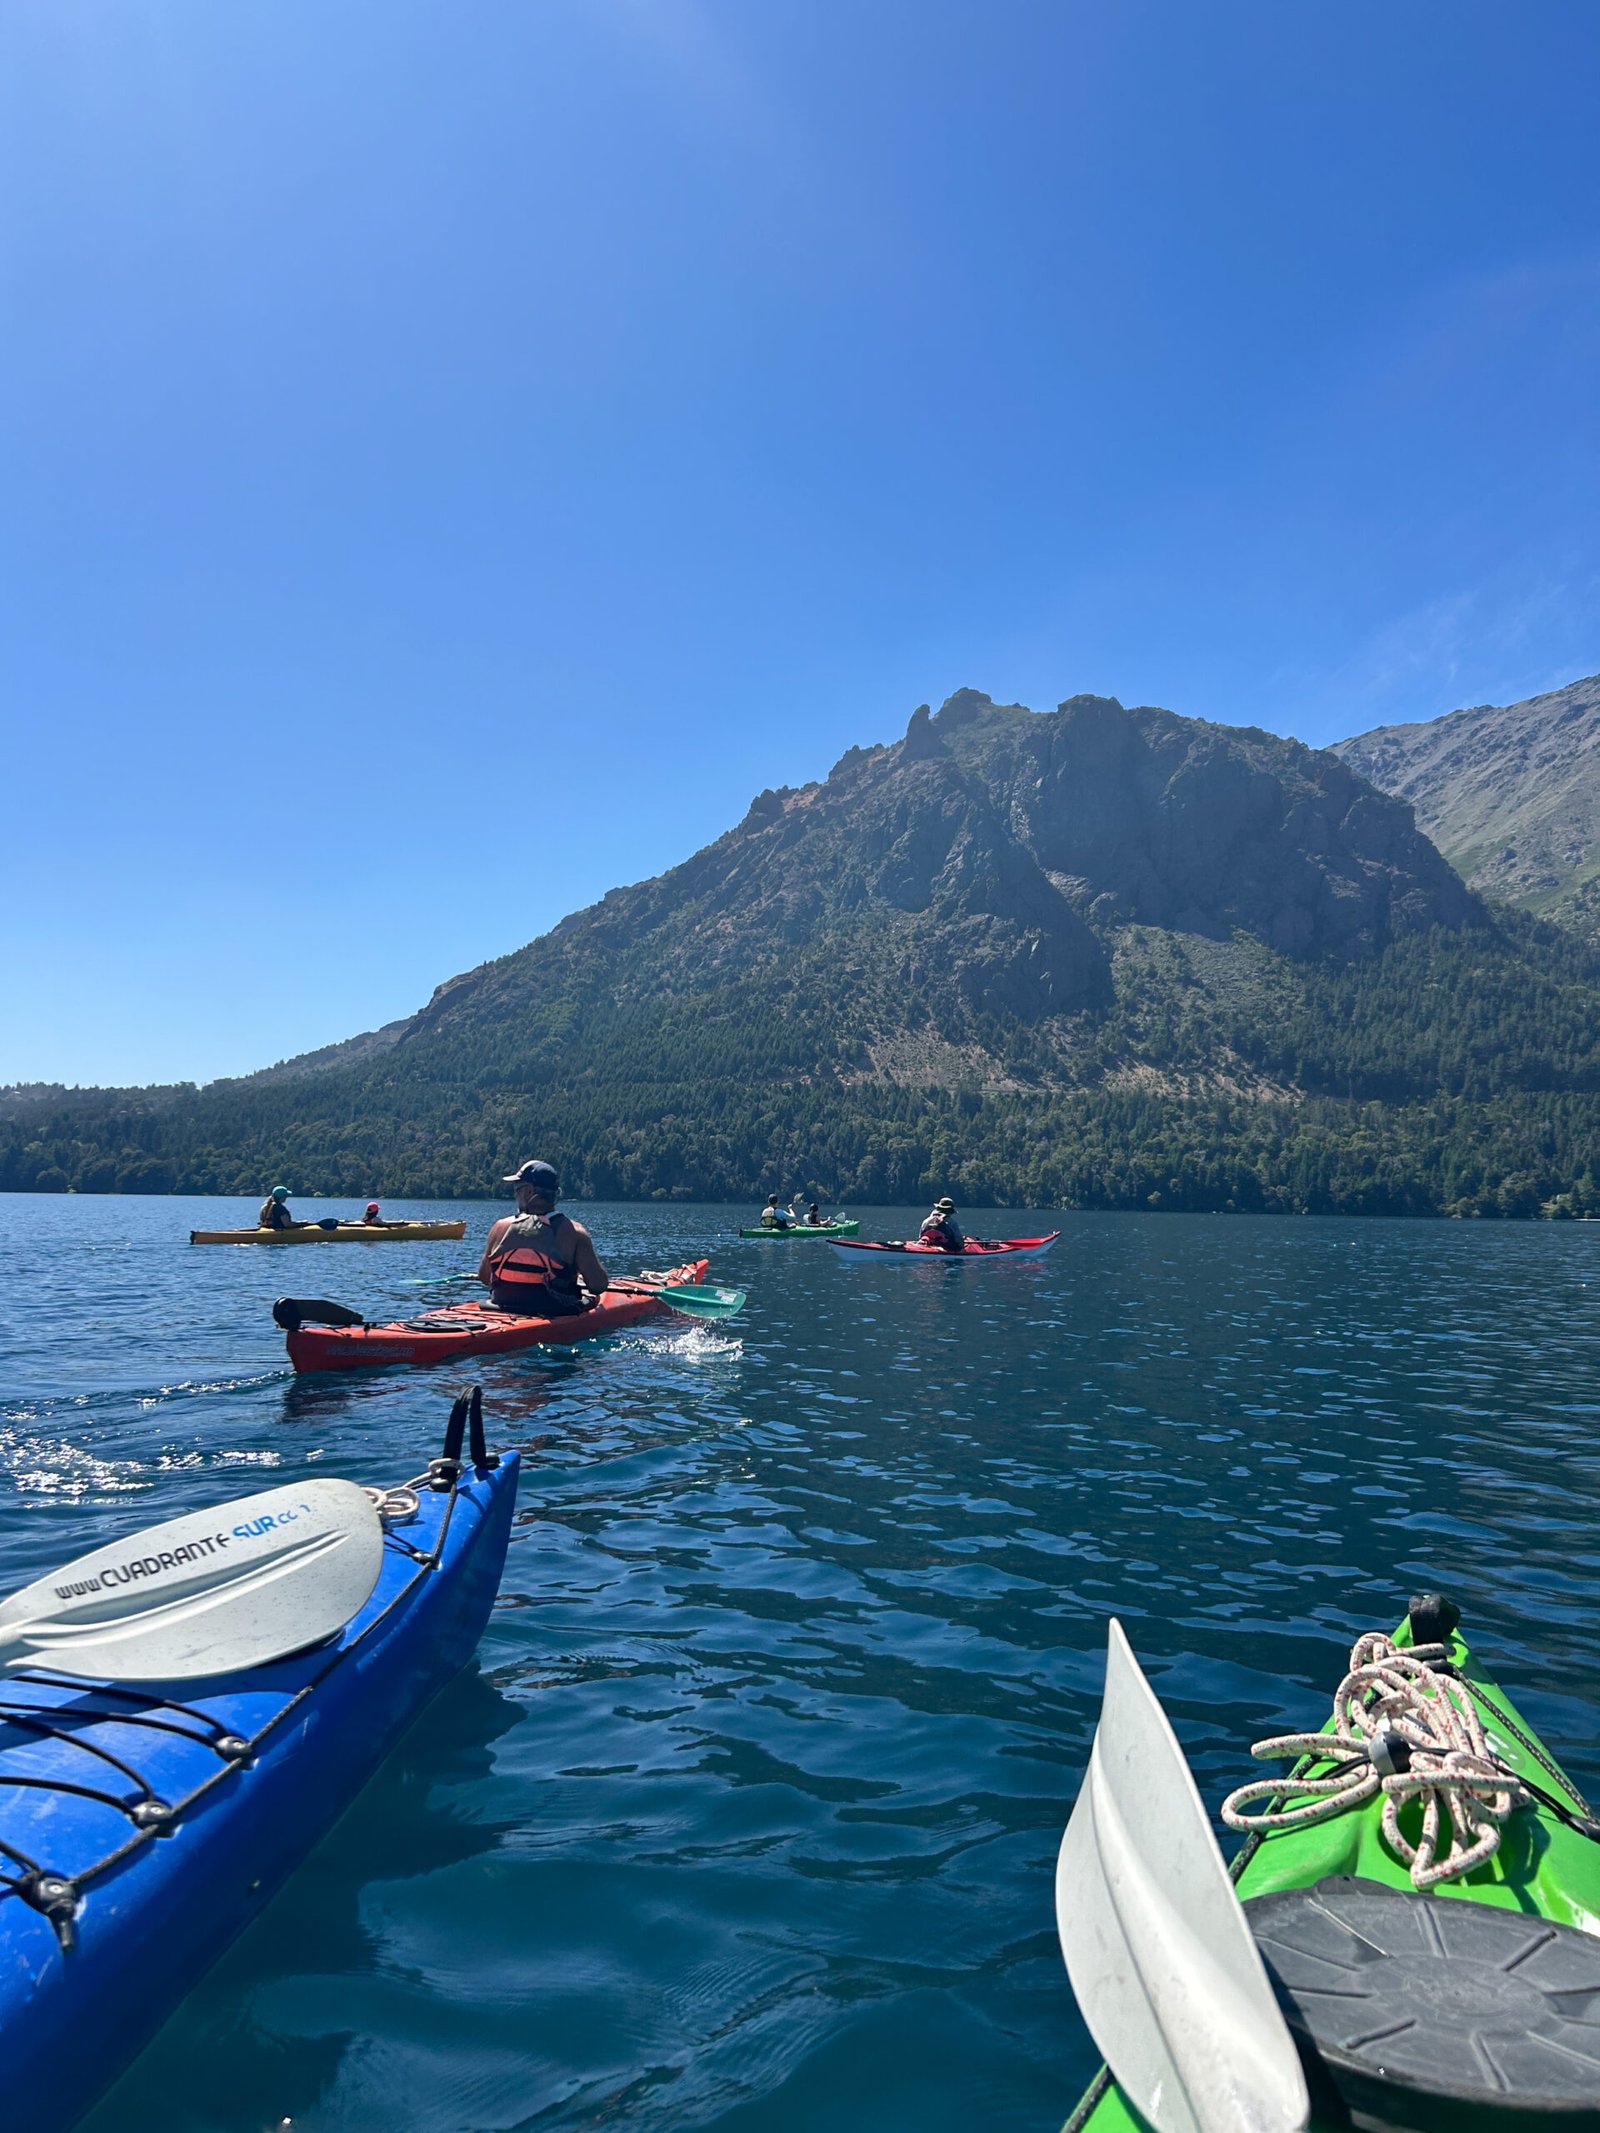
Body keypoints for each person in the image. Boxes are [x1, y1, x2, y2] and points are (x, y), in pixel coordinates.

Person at [478, 1160, 610, 1316]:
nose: (515, 1194)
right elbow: (598, 1285)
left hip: (503, 1306)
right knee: (590, 1298)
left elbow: (485, 1277)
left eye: (517, 1188)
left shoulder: (500, 1227)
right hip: (553, 1310)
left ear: (529, 1191)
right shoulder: (574, 1231)